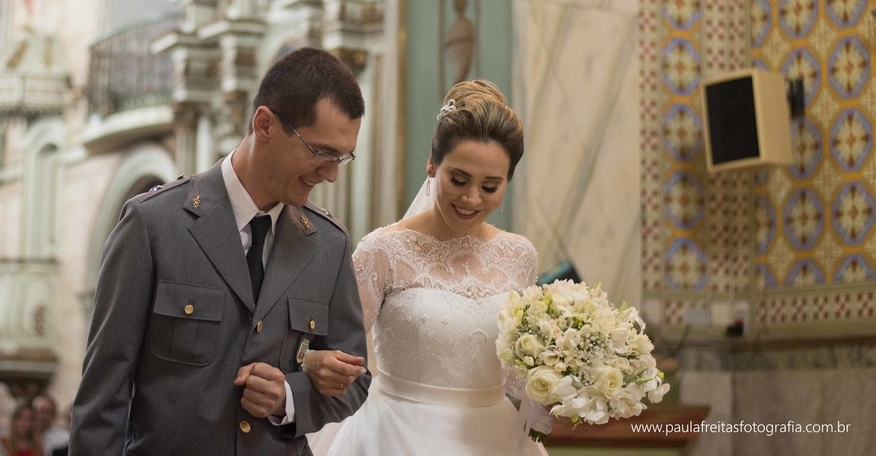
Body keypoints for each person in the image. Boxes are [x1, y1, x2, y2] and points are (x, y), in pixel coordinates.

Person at [70, 47, 372, 455]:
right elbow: (102, 399)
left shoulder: (328, 245)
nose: (332, 174)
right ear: (264, 124)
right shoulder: (154, 225)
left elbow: (355, 381)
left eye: (342, 157)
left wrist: (288, 396)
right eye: (320, 152)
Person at [305, 80, 550, 455]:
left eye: (490, 186)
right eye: (459, 179)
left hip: (494, 438)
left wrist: (566, 376)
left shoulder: (519, 255)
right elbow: (335, 351)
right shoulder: (383, 250)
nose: (471, 198)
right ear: (433, 163)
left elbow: (515, 373)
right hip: (394, 435)